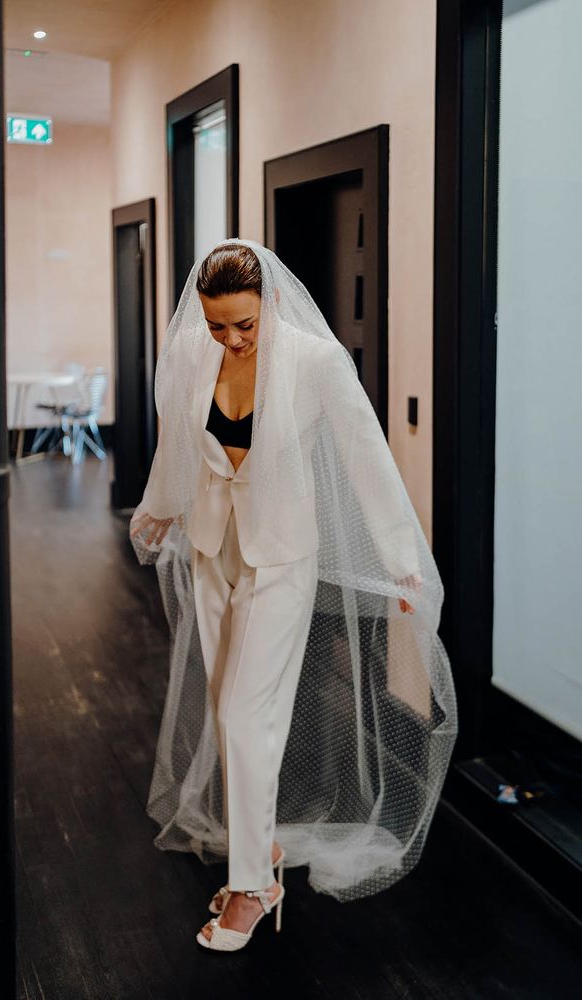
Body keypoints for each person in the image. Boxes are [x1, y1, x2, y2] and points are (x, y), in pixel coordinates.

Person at [129, 238, 458, 952]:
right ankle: (262, 846)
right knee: (225, 706)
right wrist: (160, 504)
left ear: (271, 303)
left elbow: (366, 454)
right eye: (217, 325)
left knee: (245, 713)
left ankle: (253, 886)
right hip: (212, 547)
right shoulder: (191, 353)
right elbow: (177, 439)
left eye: (244, 324)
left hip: (280, 555)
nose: (231, 339)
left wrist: (400, 558)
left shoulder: (315, 362)